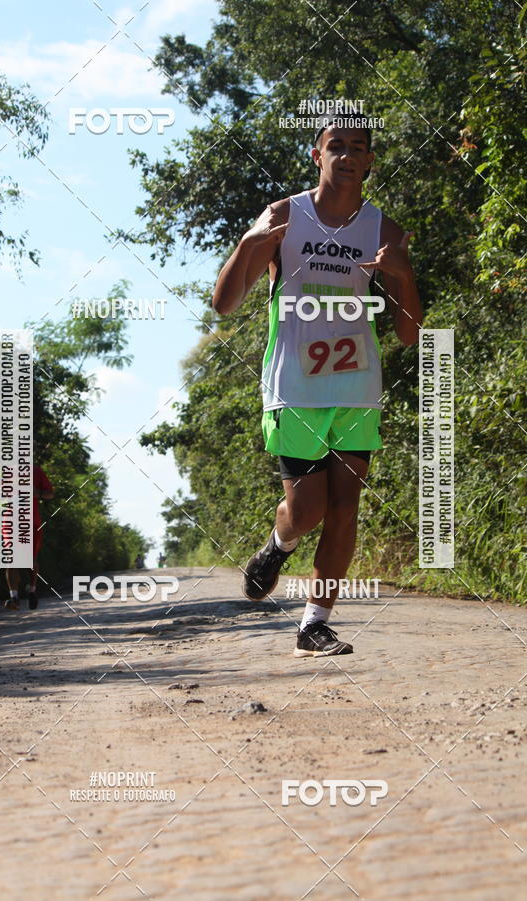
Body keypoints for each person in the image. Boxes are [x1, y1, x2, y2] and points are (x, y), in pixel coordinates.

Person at [212, 117, 422, 657]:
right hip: (295, 386)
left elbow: (410, 334)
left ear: (369, 161)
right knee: (307, 511)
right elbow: (224, 304)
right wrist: (248, 243)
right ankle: (279, 543)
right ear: (317, 155)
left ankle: (313, 625)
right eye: (336, 146)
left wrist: (404, 277)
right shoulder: (284, 216)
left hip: (356, 385)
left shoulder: (385, 230)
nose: (347, 155)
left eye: (358, 148)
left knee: (345, 506)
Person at [5, 462, 54, 611]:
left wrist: (37, 493)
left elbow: (50, 494)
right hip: (10, 520)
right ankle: (14, 598)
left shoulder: (36, 471)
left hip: (31, 521)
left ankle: (32, 591)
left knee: (31, 561)